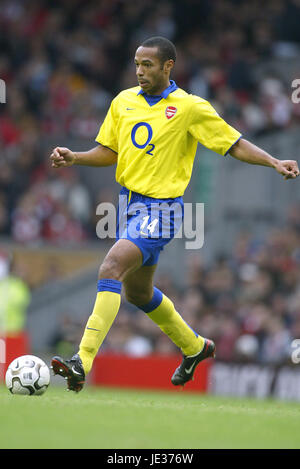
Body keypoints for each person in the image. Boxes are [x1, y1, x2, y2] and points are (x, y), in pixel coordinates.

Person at [50, 36, 299, 392]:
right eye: (137, 64)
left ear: (168, 66)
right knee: (137, 293)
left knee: (111, 267)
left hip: (162, 208)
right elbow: (108, 151)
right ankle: (195, 347)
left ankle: (81, 360)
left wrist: (274, 161)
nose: (140, 71)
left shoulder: (189, 107)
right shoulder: (123, 102)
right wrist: (75, 156)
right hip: (128, 205)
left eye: (148, 65)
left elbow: (234, 143)